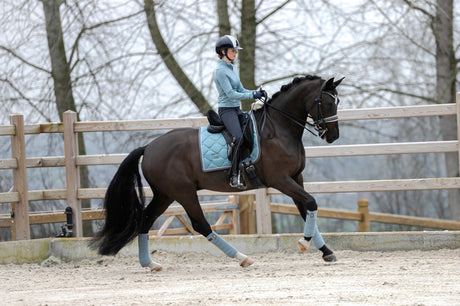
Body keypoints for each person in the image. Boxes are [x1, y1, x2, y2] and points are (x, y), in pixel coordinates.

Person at [214, 35, 264, 188]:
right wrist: (252, 95)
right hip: (227, 111)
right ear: (223, 52)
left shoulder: (232, 68)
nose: (236, 53)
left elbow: (241, 89)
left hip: (236, 109)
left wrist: (257, 92)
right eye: (233, 51)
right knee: (238, 137)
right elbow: (231, 94)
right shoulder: (220, 71)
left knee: (252, 133)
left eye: (236, 51)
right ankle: (234, 176)